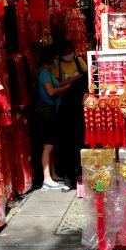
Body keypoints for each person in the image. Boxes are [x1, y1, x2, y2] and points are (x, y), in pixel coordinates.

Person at [32, 45, 71, 190]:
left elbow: (58, 84)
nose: (57, 61)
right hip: (45, 114)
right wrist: (68, 88)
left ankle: (53, 174)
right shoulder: (43, 73)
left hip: (50, 112)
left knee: (51, 145)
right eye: (55, 58)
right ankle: (47, 178)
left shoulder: (47, 73)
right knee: (48, 146)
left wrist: (73, 80)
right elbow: (51, 92)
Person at [52, 41, 88, 188]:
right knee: (67, 144)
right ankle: (69, 178)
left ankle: (79, 175)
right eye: (65, 52)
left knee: (79, 141)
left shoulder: (79, 62)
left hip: (79, 111)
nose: (68, 54)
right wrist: (74, 80)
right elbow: (57, 85)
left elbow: (87, 78)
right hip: (64, 109)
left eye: (70, 51)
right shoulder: (58, 67)